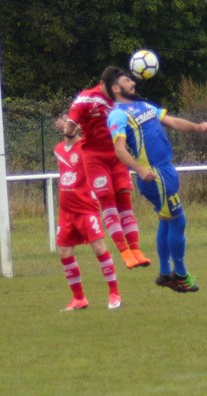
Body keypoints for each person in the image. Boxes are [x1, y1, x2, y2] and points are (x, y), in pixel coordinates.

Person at [105, 68, 207, 293]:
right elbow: (119, 150)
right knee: (178, 221)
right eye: (127, 81)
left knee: (166, 220)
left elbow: (172, 122)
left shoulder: (144, 106)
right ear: (116, 88)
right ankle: (180, 274)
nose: (133, 83)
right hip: (154, 175)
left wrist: (196, 127)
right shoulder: (117, 115)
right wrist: (140, 170)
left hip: (165, 170)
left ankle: (165, 273)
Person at [63, 68, 151, 270]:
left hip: (118, 155)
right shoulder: (86, 99)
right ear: (102, 84)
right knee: (108, 202)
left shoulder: (121, 101)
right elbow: (70, 125)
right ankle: (125, 252)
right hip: (95, 158)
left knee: (125, 201)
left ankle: (136, 249)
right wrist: (68, 129)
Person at [54, 114, 121, 311]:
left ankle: (114, 293)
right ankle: (79, 298)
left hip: (85, 207)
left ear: (77, 127)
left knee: (99, 248)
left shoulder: (86, 146)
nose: (68, 126)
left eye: (71, 123)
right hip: (66, 211)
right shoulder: (58, 149)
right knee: (64, 252)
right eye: (65, 122)